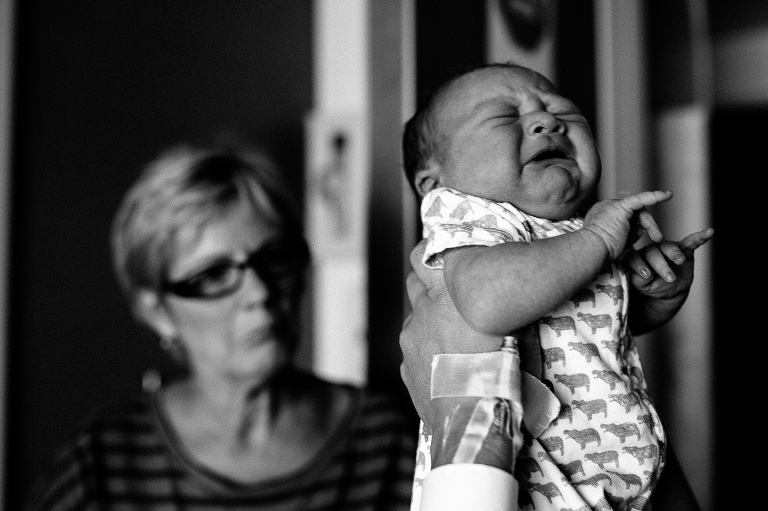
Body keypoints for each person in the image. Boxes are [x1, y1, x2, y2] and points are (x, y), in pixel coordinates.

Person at [27, 143, 416, 510]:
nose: (260, 292)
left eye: (275, 256)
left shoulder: (389, 445)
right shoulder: (100, 468)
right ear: (157, 311)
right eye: (214, 274)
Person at [400, 63, 712, 510]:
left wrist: (653, 295)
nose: (548, 121)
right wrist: (597, 241)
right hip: (530, 481)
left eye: (564, 111)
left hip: (621, 466)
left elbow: (596, 328)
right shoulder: (472, 224)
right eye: (504, 117)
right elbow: (486, 305)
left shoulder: (572, 234)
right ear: (435, 185)